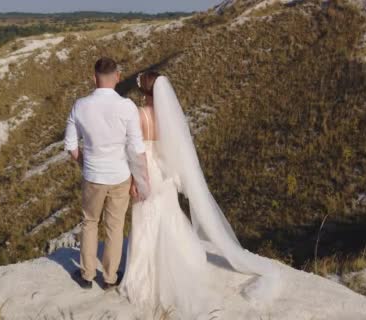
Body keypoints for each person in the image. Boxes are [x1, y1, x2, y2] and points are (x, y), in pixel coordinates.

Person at [119, 71, 281, 318]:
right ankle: (183, 262)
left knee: (145, 219)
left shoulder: (139, 116)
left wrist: (135, 180)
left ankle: (144, 279)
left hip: (147, 170)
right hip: (164, 173)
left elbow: (136, 152)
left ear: (145, 94)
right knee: (169, 214)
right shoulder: (167, 118)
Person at [64, 57, 149, 290]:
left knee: (90, 222)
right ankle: (110, 278)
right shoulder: (127, 107)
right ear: (118, 77)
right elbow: (137, 148)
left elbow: (71, 146)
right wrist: (142, 179)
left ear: (94, 78)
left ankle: (87, 275)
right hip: (120, 175)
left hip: (93, 175)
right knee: (114, 226)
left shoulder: (80, 105)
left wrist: (85, 162)